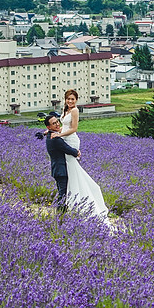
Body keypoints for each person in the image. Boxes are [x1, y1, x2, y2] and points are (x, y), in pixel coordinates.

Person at [50, 90, 109, 220]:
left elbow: (74, 128)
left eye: (72, 99)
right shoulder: (65, 109)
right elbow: (64, 126)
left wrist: (59, 135)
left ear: (76, 100)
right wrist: (50, 131)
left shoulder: (75, 111)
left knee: (72, 168)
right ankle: (71, 198)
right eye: (68, 99)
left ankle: (78, 197)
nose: (70, 101)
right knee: (70, 170)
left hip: (71, 139)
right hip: (64, 137)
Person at [42, 112, 80, 214]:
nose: (57, 124)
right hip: (61, 170)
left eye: (57, 121)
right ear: (48, 126)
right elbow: (66, 148)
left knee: (62, 192)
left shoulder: (50, 135)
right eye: (54, 123)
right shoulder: (56, 139)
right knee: (62, 194)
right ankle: (60, 214)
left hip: (57, 169)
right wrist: (77, 152)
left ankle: (62, 213)